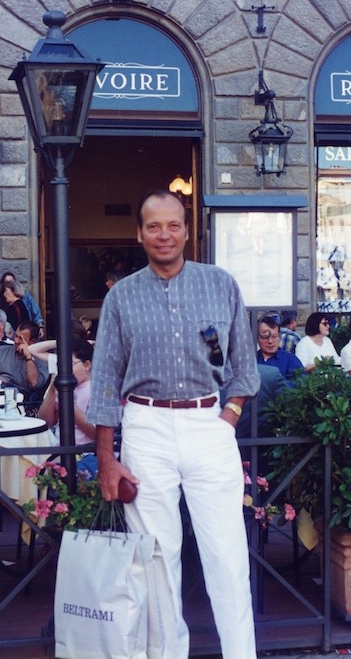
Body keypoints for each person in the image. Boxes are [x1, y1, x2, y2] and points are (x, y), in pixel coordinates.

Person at [88, 189, 260, 659]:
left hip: (210, 424)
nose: (165, 235)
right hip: (145, 427)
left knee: (226, 555)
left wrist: (229, 417)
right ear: (139, 233)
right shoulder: (122, 297)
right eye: (154, 226)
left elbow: (244, 366)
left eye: (174, 225)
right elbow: (104, 381)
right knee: (158, 559)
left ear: (188, 230)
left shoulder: (221, 284)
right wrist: (108, 459)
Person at [38, 337, 97, 472]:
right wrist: (52, 389)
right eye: (60, 364)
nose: (64, 369)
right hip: (57, 450)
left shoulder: (95, 390)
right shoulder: (63, 386)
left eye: (69, 364)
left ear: (87, 365)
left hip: (84, 454)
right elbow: (46, 421)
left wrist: (68, 403)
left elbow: (96, 433)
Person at [0, 320, 49, 395]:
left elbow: (34, 383)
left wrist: (28, 357)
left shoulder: (42, 360)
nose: (16, 341)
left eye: (21, 339)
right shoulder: (0, 351)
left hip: (22, 401)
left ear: (32, 341)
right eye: (16, 336)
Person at [257, 315, 304, 383]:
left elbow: (301, 386)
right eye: (265, 337)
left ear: (279, 336)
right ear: (257, 338)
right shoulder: (250, 361)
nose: (270, 341)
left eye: (274, 336)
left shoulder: (291, 361)